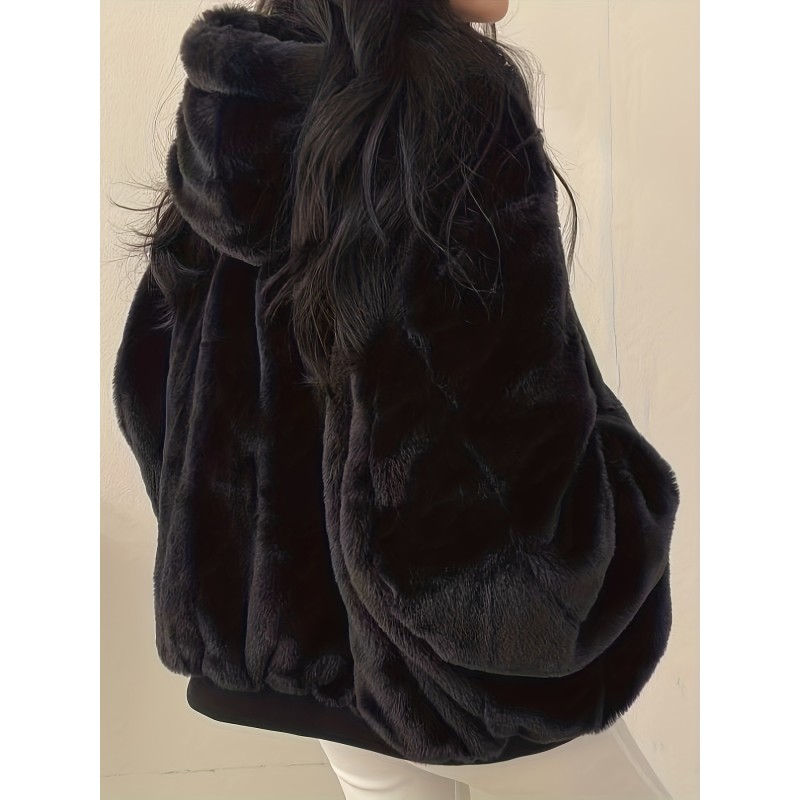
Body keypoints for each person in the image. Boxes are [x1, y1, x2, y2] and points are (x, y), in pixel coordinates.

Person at [111, 0, 681, 795]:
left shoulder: (231, 99)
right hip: (449, 686)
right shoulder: (454, 97)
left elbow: (151, 388)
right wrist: (620, 525)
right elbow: (494, 452)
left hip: (292, 676)